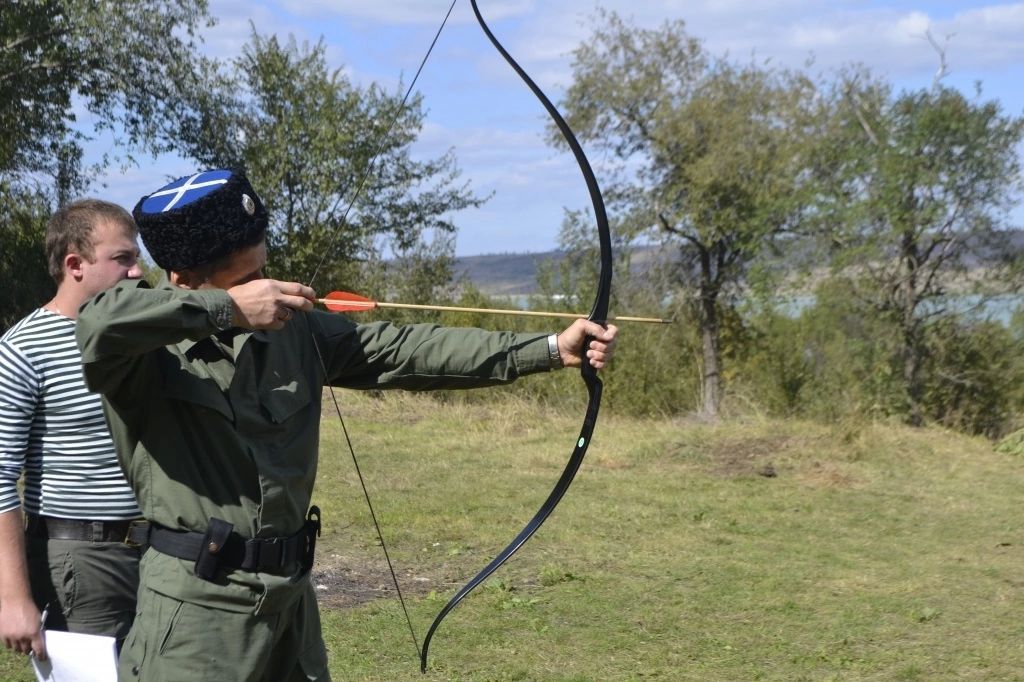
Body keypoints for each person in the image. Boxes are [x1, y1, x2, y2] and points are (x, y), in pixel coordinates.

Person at [74, 169, 618, 681]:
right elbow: (98, 323)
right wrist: (226, 310)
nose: (267, 288)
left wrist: (548, 348)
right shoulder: (143, 345)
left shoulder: (293, 329)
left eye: (264, 268)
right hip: (197, 610)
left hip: (290, 600)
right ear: (186, 278)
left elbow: (402, 350)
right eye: (248, 279)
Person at [0, 199, 145, 661]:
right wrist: (13, 599)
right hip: (81, 562)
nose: (138, 271)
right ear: (74, 264)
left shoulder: (134, 337)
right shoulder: (23, 349)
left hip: (158, 554)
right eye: (123, 258)